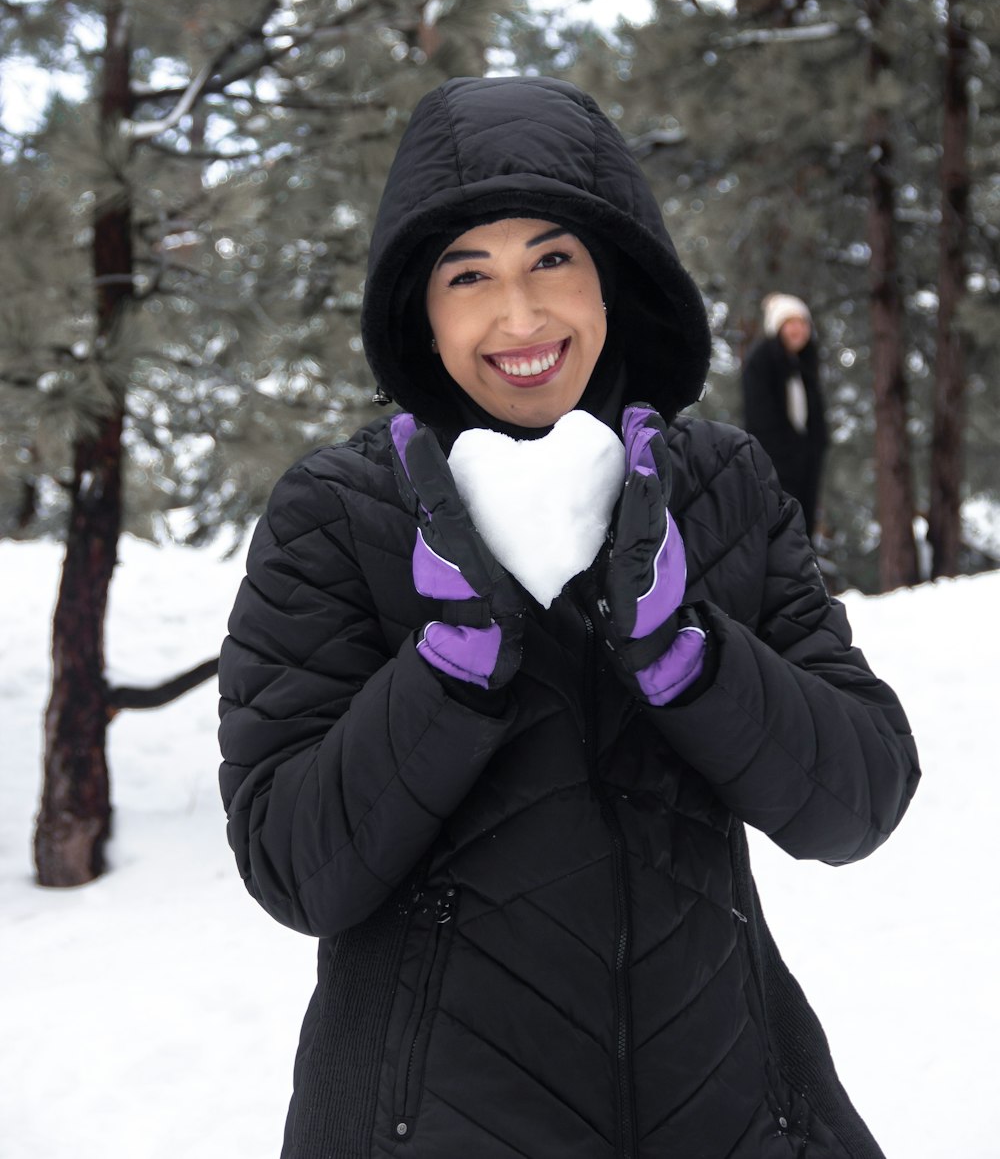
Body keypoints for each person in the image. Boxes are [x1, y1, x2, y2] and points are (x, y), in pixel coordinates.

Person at [218, 76, 919, 1159]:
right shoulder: (336, 514)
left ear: (613, 280)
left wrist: (693, 659)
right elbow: (294, 866)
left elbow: (858, 799)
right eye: (468, 276)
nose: (520, 316)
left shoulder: (718, 484)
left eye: (552, 259)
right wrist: (446, 673)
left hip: (732, 1114)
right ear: (420, 309)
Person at [742, 294, 828, 538]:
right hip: (775, 460)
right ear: (778, 327)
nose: (798, 329)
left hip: (806, 462)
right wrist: (788, 451)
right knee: (778, 525)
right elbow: (760, 415)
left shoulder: (805, 363)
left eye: (803, 323)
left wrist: (816, 448)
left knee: (804, 524)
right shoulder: (761, 360)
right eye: (791, 323)